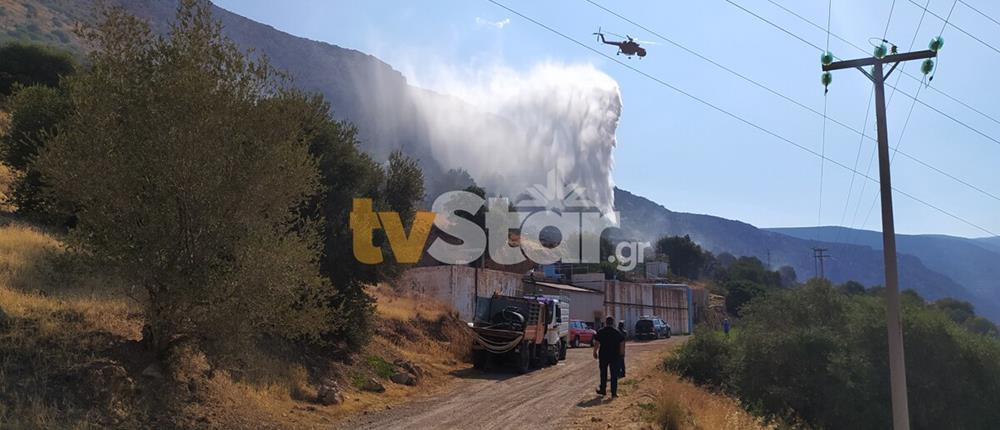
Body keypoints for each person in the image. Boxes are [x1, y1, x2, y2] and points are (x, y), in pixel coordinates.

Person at [593, 316, 625, 398]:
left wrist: (594, 352)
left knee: (603, 373)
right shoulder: (617, 332)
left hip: (603, 355)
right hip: (614, 356)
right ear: (613, 323)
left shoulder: (601, 331)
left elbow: (597, 343)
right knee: (614, 375)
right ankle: (614, 393)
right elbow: (622, 343)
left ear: (606, 322)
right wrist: (621, 354)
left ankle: (603, 390)